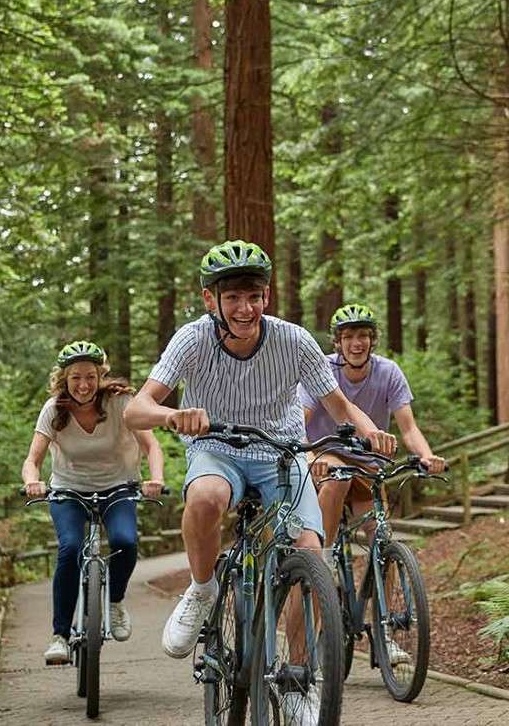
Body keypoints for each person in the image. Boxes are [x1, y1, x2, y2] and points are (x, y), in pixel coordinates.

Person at [123, 240, 394, 719]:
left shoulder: (293, 340)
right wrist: (173, 415)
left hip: (281, 453)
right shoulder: (192, 340)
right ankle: (203, 588)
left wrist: (369, 429)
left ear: (266, 297)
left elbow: (336, 404)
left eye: (253, 296)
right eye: (232, 298)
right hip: (217, 449)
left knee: (311, 555)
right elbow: (135, 409)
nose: (244, 308)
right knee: (206, 496)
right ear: (212, 301)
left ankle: (294, 678)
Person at [300, 303, 446, 666]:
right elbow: (300, 420)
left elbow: (408, 427)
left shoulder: (388, 372)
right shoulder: (322, 371)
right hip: (326, 453)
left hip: (369, 462)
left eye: (363, 336)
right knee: (338, 478)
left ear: (372, 340)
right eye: (348, 336)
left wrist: (426, 456)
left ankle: (384, 634)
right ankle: (329, 556)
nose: (356, 343)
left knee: (382, 539)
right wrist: (304, 456)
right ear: (337, 342)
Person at [21, 341, 166, 665]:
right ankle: (60, 634)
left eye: (90, 376)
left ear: (101, 375)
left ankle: (114, 603)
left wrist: (155, 478)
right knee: (70, 549)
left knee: (125, 542)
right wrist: (32, 481)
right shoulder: (53, 409)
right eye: (75, 378)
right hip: (69, 490)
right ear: (64, 379)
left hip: (118, 487)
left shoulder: (121, 403)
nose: (83, 385)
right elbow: (33, 459)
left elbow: (151, 446)